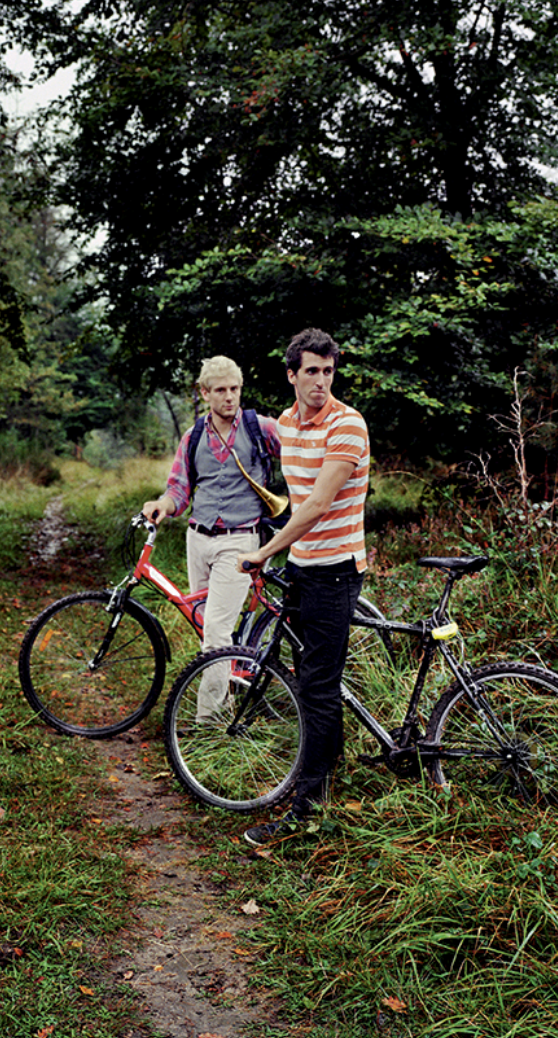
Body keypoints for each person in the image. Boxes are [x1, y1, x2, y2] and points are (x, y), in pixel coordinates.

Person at [235, 328, 370, 847]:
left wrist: (265, 551)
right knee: (312, 681)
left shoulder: (347, 424)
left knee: (317, 688)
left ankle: (305, 814)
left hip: (336, 571)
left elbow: (315, 504)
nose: (321, 381)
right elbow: (290, 498)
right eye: (311, 371)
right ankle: (328, 776)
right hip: (302, 567)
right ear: (292, 374)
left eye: (328, 371)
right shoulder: (287, 424)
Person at [142, 355, 281, 721]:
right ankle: (228, 699)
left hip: (240, 541)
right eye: (220, 390)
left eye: (234, 389)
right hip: (198, 539)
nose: (229, 397)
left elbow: (301, 458)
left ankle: (207, 723)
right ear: (205, 393)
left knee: (217, 634)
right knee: (206, 628)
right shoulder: (194, 437)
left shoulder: (261, 428)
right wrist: (162, 504)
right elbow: (179, 489)